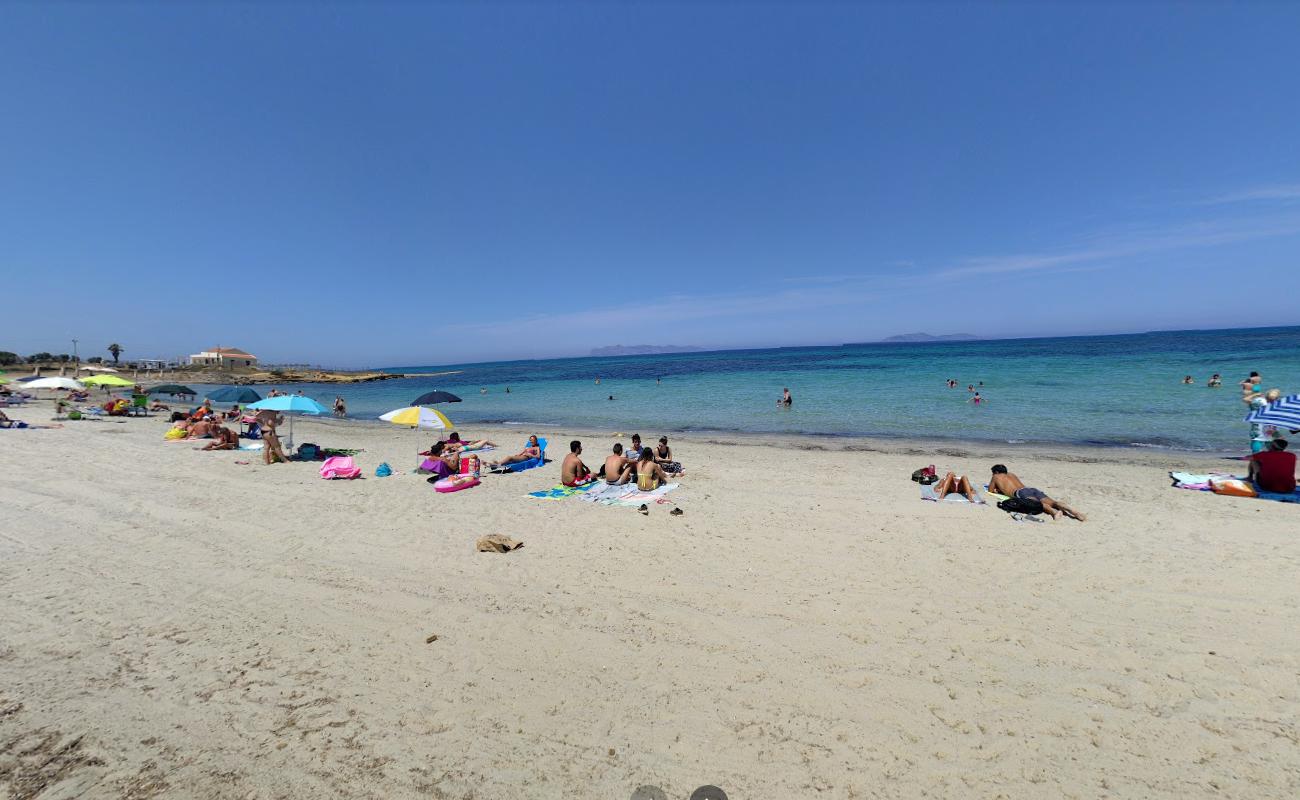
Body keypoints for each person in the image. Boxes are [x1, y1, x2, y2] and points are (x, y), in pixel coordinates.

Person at [988, 464, 1085, 521]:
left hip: (1020, 493)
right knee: (1053, 502)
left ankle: (1053, 512)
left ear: (996, 472)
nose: (992, 474)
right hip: (1030, 489)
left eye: (993, 472)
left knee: (1038, 504)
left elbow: (990, 490)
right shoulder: (1011, 474)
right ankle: (1073, 511)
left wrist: (997, 490)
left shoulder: (996, 477)